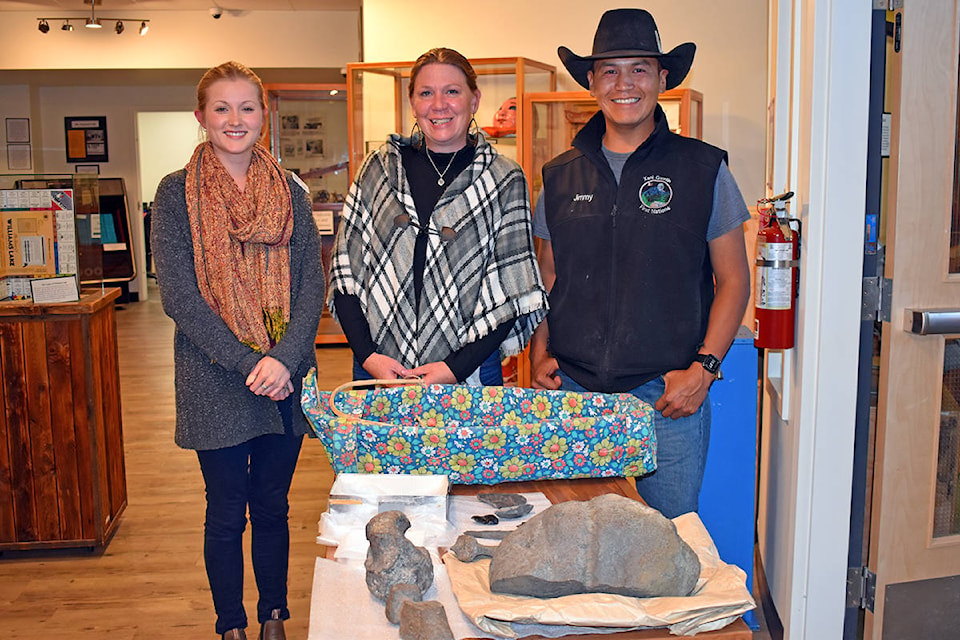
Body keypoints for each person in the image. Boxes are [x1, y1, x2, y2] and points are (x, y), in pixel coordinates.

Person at [530, 9, 751, 519]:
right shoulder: (558, 177)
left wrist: (704, 370)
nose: (624, 83)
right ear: (591, 81)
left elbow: (734, 280)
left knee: (668, 544)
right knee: (576, 538)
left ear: (662, 78)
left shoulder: (703, 169)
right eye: (609, 70)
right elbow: (547, 278)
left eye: (639, 69)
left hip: (668, 397)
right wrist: (539, 356)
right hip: (576, 394)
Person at [151, 61, 324, 640]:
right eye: (221, 108)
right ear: (201, 117)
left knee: (273, 506)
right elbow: (179, 296)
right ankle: (231, 625)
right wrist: (253, 362)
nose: (235, 119)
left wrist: (285, 358)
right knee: (226, 511)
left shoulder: (290, 191)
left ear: (263, 115)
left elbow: (311, 285)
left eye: (247, 107)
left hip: (289, 372)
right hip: (214, 375)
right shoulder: (175, 194)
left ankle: (274, 616)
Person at [329, 48, 548, 386]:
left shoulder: (503, 178)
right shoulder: (379, 169)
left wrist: (454, 369)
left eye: (452, 91)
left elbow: (513, 288)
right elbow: (345, 272)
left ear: (474, 100)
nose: (439, 104)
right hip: (379, 365)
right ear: (412, 102)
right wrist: (368, 356)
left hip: (469, 372)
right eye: (426, 93)